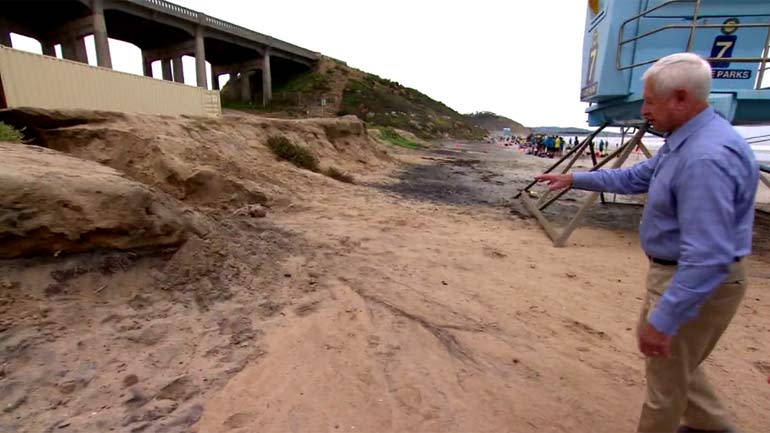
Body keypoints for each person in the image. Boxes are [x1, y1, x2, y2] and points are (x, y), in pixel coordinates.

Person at [535, 53, 759, 433]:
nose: (644, 110)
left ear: (682, 98)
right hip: (677, 275)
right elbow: (636, 176)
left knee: (663, 387)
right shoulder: (685, 139)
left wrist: (668, 316)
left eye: (650, 101)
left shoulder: (705, 157)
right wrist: (576, 179)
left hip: (696, 280)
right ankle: (711, 427)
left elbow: (707, 256)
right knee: (671, 365)